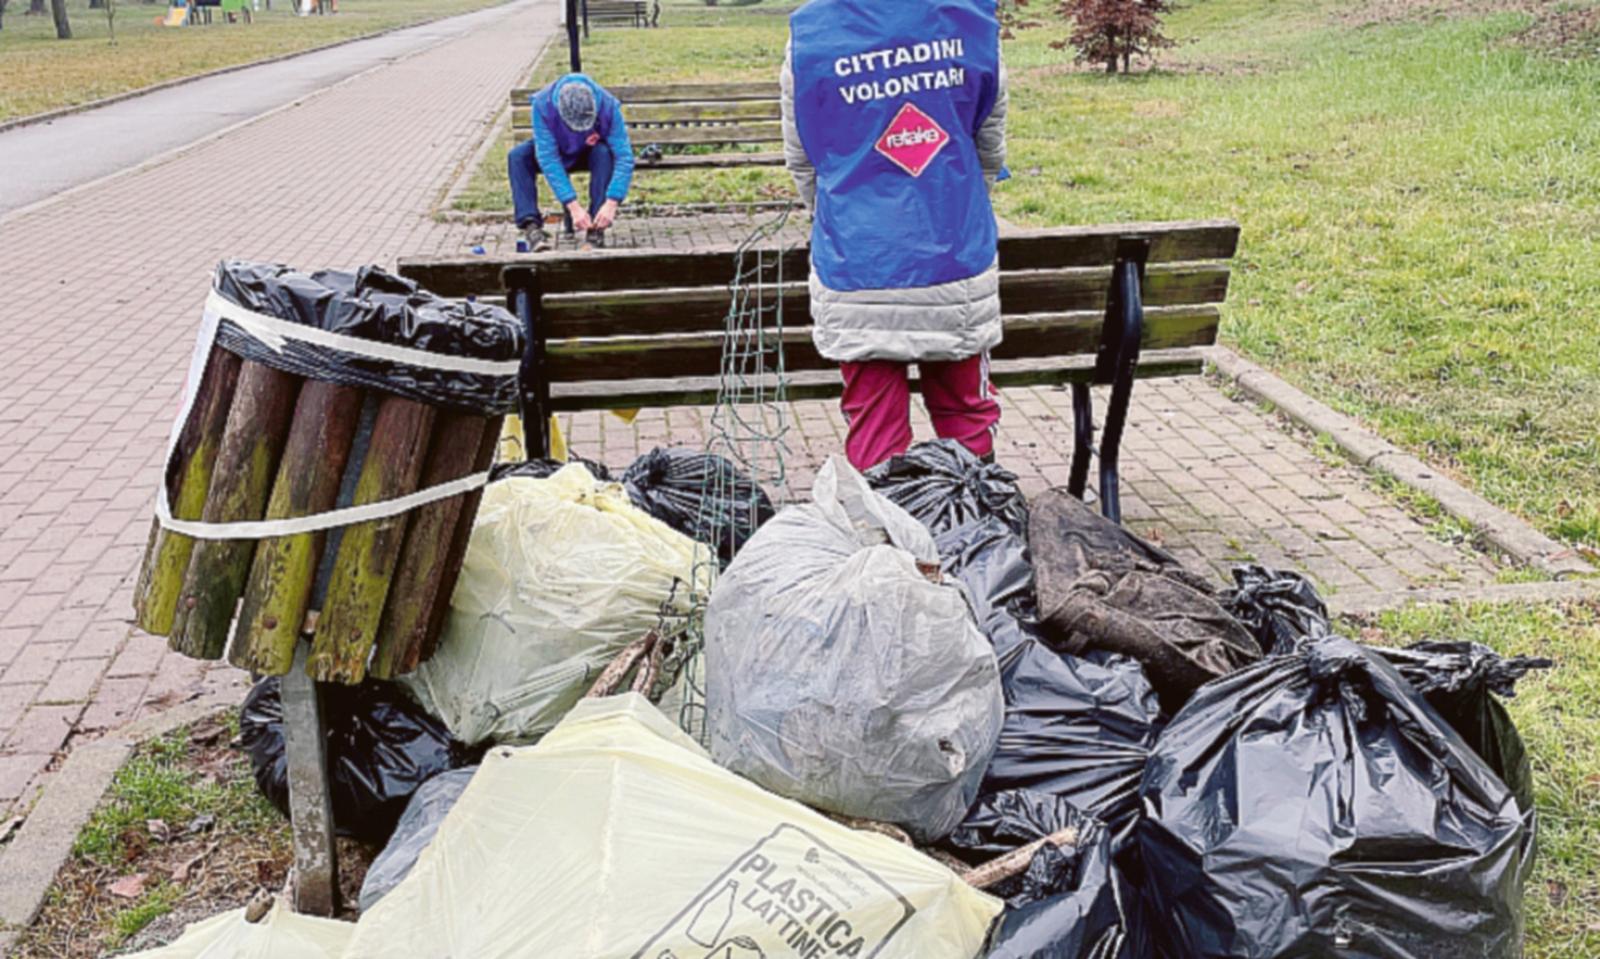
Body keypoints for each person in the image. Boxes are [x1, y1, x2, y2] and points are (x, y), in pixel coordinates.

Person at [781, 0, 1008, 471]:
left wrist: (845, 217)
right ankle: (977, 510)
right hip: (955, 263)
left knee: (875, 430)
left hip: (858, 265)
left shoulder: (810, 36)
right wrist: (952, 208)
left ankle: (883, 515)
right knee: (966, 414)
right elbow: (988, 147)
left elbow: (804, 160)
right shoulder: (972, 22)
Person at [509, 74, 636, 250]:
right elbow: (548, 158)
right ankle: (531, 228)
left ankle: (596, 228)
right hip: (557, 150)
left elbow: (624, 157)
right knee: (517, 156)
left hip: (588, 153)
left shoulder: (609, 106)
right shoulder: (542, 105)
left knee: (604, 153)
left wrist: (612, 202)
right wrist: (573, 206)